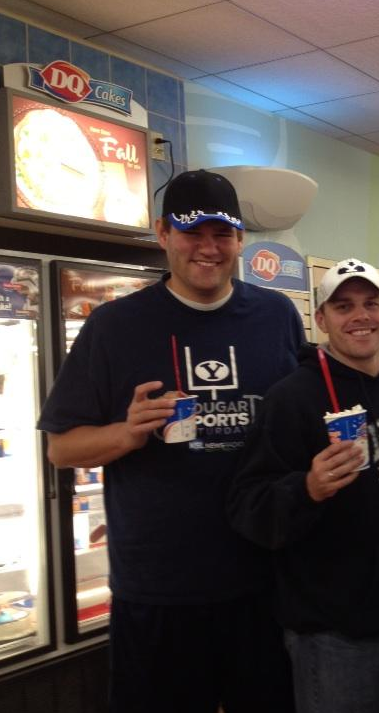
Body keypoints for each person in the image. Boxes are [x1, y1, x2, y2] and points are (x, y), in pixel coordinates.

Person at [38, 169, 301, 713]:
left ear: (240, 241)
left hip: (262, 578)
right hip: (159, 588)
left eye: (222, 233)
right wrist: (127, 433)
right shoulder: (113, 326)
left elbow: (307, 402)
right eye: (191, 232)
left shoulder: (275, 315)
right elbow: (61, 448)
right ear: (163, 234)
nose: (208, 248)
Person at [227, 258, 379, 713]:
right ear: (321, 319)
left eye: (371, 303)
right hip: (334, 635)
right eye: (343, 306)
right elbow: (248, 507)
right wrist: (308, 487)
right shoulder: (290, 398)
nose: (360, 316)